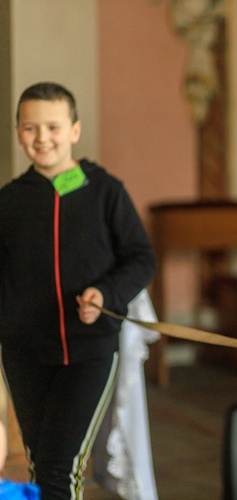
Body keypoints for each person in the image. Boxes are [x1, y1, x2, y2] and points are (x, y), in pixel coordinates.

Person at [0, 82, 157, 499]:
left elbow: (141, 257)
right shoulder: (10, 202)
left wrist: (106, 294)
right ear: (18, 131)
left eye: (53, 126)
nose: (42, 138)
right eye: (31, 128)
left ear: (74, 130)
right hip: (25, 355)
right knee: (40, 462)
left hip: (89, 351)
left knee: (60, 468)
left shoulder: (105, 192)